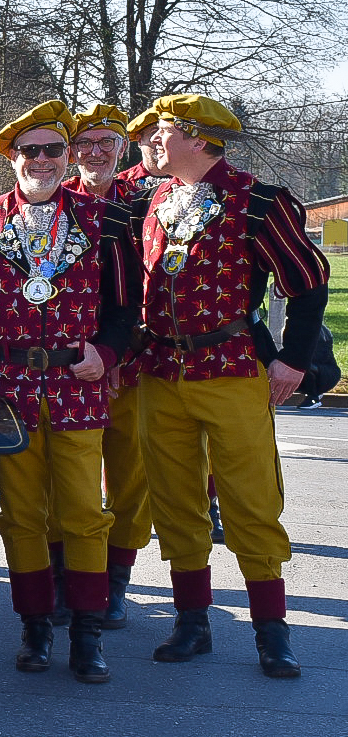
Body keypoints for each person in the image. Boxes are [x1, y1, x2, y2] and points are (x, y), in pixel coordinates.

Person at [0, 100, 141, 684]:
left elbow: (127, 309)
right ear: (11, 158)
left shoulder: (106, 221)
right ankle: (36, 629)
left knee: (84, 514)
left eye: (53, 150)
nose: (42, 160)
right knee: (21, 516)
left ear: (67, 156)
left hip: (78, 385)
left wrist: (107, 353)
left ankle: (88, 635)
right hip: (8, 388)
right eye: (29, 151)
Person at [133, 94, 329, 678]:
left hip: (233, 368)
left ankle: (272, 630)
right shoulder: (157, 198)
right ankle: (192, 621)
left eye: (163, 130)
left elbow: (308, 282)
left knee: (250, 499)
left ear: (197, 138)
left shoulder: (259, 201)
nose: (153, 141)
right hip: (161, 371)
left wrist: (293, 360)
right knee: (174, 498)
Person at [58, 104, 152, 629]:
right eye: (85, 142)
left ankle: (116, 578)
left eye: (106, 142)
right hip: (69, 367)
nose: (95, 152)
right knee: (63, 478)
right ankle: (61, 576)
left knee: (129, 476)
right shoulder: (53, 201)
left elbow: (156, 287)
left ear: (122, 148)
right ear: (72, 151)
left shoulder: (148, 202)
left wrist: (119, 352)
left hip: (133, 362)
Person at [295, 324, 339, 409]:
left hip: (327, 374)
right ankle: (316, 393)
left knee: (302, 365)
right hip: (323, 371)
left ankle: (313, 398)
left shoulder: (315, 332)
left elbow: (317, 358)